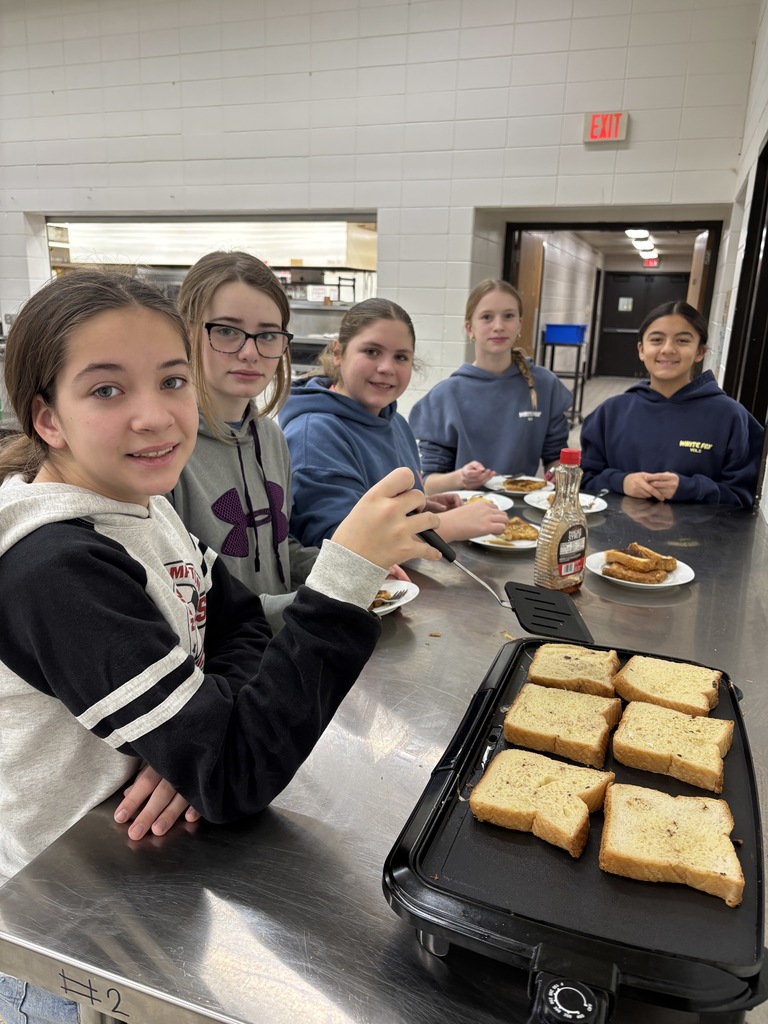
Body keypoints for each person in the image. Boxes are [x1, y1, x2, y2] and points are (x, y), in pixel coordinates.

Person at [0, 270, 441, 1024]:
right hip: (67, 934)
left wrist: (193, 738)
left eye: (171, 381)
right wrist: (345, 575)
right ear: (47, 418)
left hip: (148, 879)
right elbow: (235, 774)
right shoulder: (56, 566)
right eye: (107, 390)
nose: (155, 417)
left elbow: (232, 621)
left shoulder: (142, 509)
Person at [278, 297, 509, 548]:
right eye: (371, 352)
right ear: (338, 353)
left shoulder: (395, 421)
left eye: (400, 357)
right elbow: (336, 549)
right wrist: (447, 526)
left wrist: (419, 510)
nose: (387, 367)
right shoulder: (315, 434)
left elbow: (375, 512)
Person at [168, 251, 318, 635]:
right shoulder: (165, 449)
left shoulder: (270, 436)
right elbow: (189, 601)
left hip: (282, 649)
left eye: (268, 334)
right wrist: (321, 602)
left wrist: (356, 570)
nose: (250, 352)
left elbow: (279, 548)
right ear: (187, 331)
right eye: (227, 331)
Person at [580, 301, 764, 506]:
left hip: (701, 537)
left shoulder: (731, 417)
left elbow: (744, 497)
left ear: (700, 352)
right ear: (642, 349)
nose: (667, 349)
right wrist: (621, 482)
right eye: (657, 340)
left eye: (682, 341)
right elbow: (583, 480)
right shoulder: (610, 413)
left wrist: (690, 488)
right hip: (615, 535)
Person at [408, 279, 573, 491]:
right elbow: (428, 483)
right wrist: (461, 478)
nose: (499, 326)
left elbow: (555, 457)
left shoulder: (544, 385)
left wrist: (559, 474)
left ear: (519, 324)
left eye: (508, 316)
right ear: (470, 328)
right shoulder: (446, 395)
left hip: (522, 510)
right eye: (487, 317)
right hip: (464, 511)